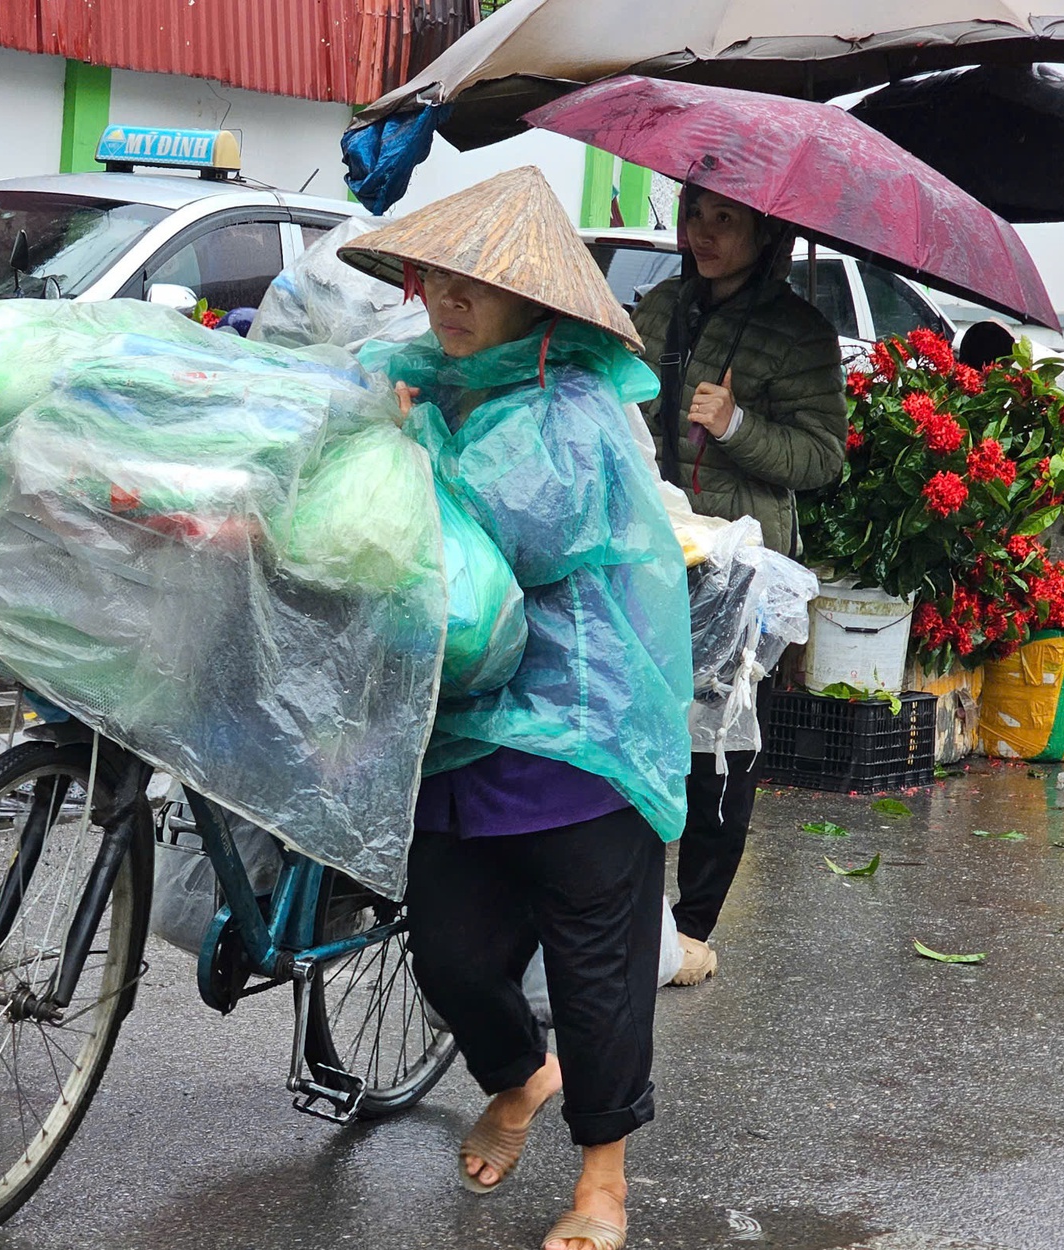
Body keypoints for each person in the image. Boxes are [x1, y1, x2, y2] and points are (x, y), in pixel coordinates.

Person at [339, 166, 693, 1250]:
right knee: (445, 950)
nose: (447, 304)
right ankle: (517, 1072)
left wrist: (402, 455)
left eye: (474, 289)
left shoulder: (569, 410)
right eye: (435, 281)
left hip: (577, 732)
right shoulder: (429, 385)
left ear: (533, 304)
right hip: (460, 732)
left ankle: (601, 1182)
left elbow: (509, 534)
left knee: (594, 969)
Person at [630, 187, 849, 986]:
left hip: (738, 569)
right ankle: (628, 910)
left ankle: (692, 927)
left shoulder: (800, 334)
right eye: (696, 215)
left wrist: (736, 427)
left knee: (717, 749)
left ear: (766, 230)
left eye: (726, 219)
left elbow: (824, 459)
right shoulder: (660, 307)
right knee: (636, 730)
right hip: (649, 545)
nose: (704, 234)